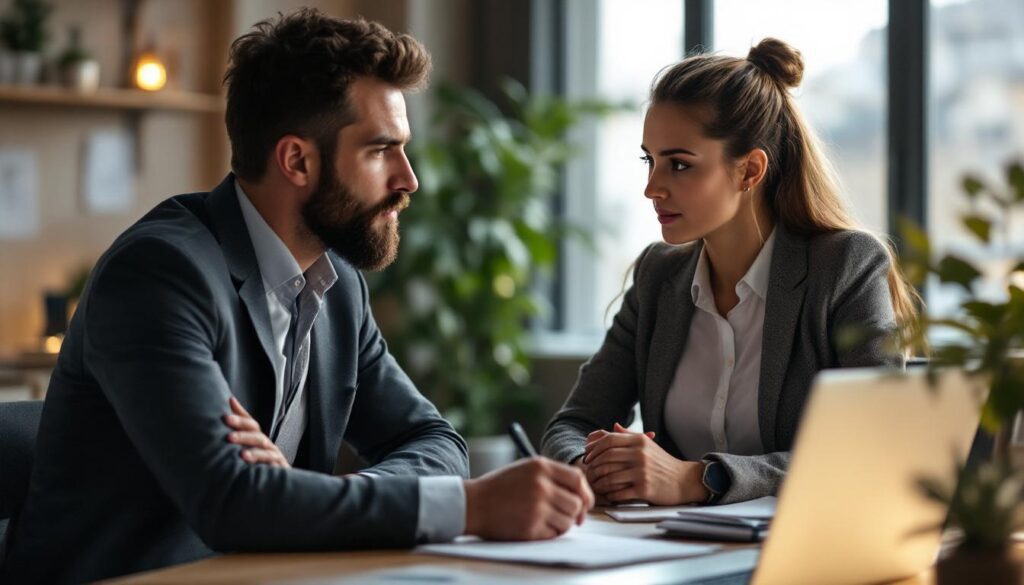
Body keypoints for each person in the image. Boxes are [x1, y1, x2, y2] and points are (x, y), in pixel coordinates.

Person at [0, 11, 592, 584]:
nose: (409, 179)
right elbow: (231, 503)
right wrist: (469, 508)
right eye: (381, 149)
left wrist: (293, 496)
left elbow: (433, 442)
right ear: (297, 160)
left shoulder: (337, 286)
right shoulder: (160, 275)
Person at [541, 38, 915, 507]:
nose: (652, 188)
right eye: (649, 161)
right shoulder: (659, 276)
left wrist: (700, 479)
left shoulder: (844, 267)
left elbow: (877, 444)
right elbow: (572, 425)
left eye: (679, 165)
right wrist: (592, 469)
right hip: (672, 554)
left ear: (750, 170)